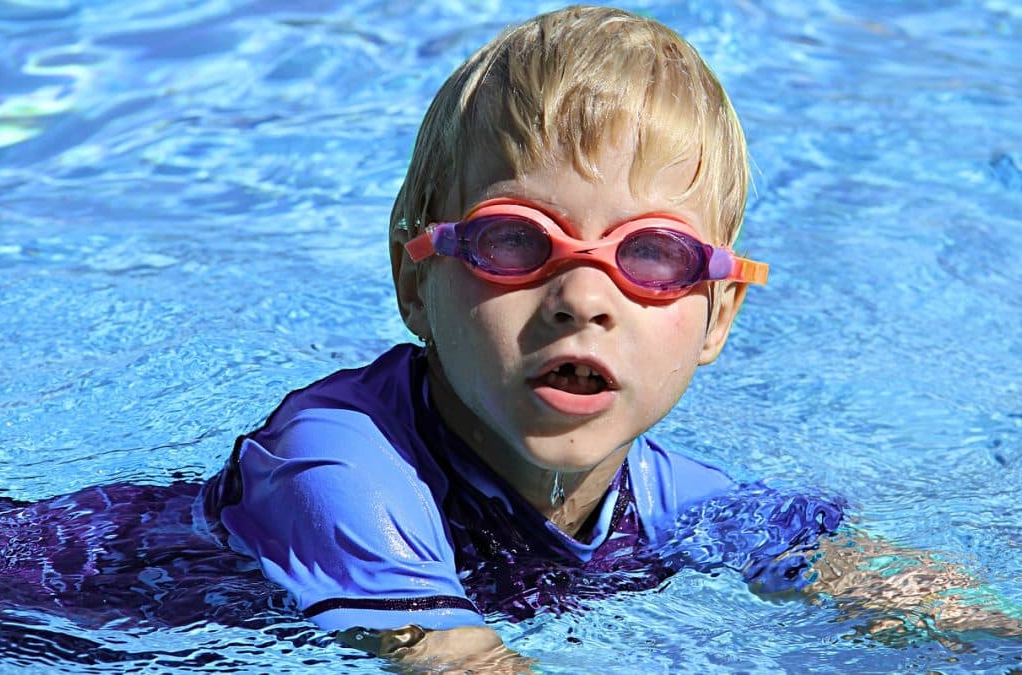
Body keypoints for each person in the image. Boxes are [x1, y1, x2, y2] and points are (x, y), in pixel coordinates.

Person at [199, 5, 1020, 670]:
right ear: (417, 280)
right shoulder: (336, 458)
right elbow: (451, 660)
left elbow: (906, 594)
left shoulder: (678, 500)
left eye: (651, 256)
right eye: (516, 240)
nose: (583, 297)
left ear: (718, 314)